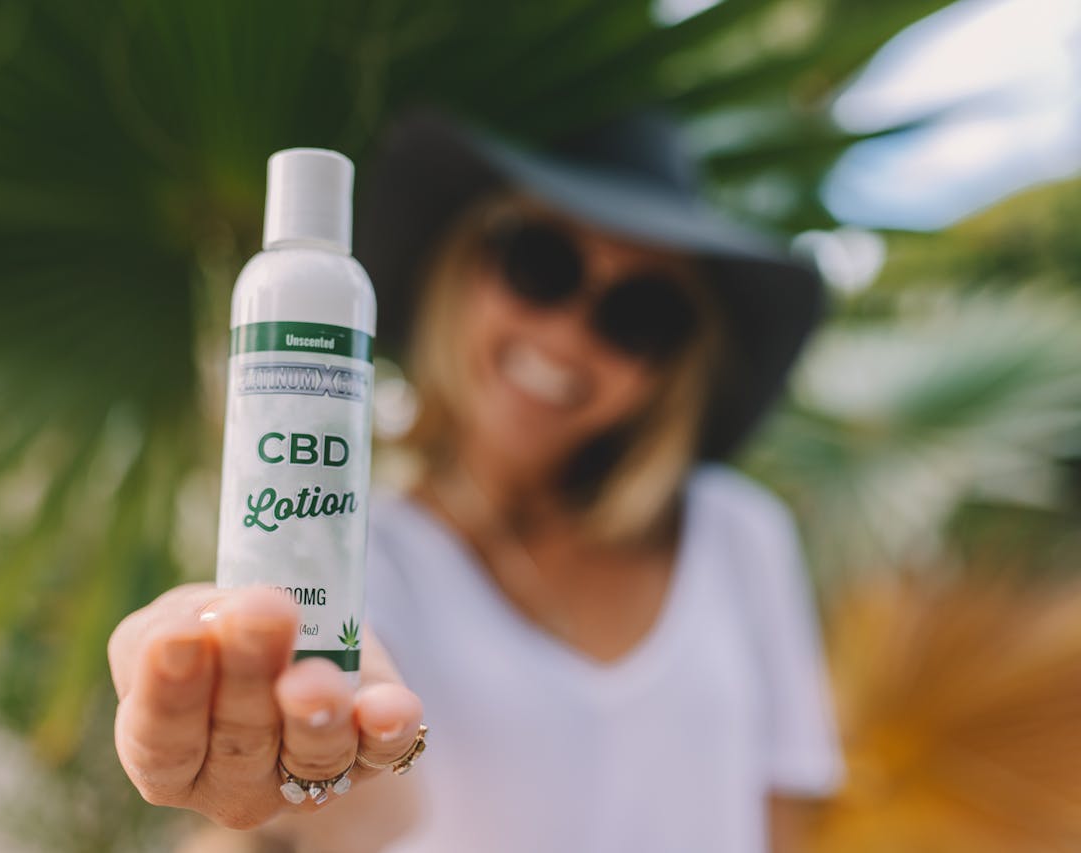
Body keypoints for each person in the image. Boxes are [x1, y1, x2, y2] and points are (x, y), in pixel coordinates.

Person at [107, 109, 843, 853]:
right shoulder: (357, 553)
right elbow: (357, 797)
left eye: (638, 314)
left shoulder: (738, 533)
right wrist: (264, 777)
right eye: (540, 265)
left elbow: (787, 814)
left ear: (672, 366)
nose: (567, 335)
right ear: (465, 266)